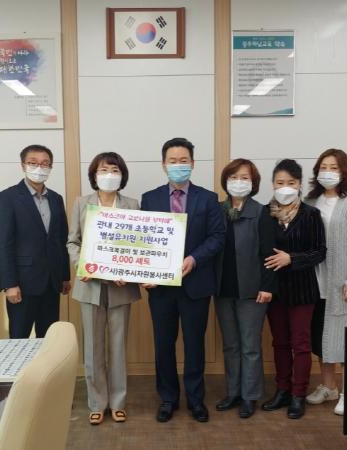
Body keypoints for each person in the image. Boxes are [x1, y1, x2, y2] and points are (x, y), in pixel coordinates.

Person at [141, 137, 225, 423]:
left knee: (194, 344)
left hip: (195, 284)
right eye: (173, 161)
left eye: (183, 161)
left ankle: (196, 399)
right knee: (163, 344)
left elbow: (217, 237)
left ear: (193, 163)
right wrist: (145, 272)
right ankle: (168, 398)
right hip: (161, 287)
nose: (178, 165)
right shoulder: (149, 199)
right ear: (164, 164)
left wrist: (194, 258)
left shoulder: (208, 198)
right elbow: (143, 241)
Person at [67, 152, 141, 425]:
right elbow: (72, 241)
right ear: (94, 175)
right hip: (90, 287)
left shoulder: (132, 205)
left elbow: (138, 244)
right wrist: (82, 266)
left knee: (118, 348)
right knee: (93, 348)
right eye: (103, 170)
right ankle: (96, 403)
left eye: (114, 170)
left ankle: (118, 402)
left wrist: (128, 270)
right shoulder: (81, 203)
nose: (109, 174)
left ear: (122, 175)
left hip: (121, 287)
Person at [304, 149, 347, 415]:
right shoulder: (311, 201)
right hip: (315, 283)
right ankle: (328, 386)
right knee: (322, 337)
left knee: (345, 339)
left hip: (344, 283)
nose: (328, 172)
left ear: (344, 171)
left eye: (333, 167)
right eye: (323, 167)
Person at [261, 159, 326, 419]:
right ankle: (283, 390)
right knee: (280, 343)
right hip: (275, 290)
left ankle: (299, 394)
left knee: (301, 344)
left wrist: (292, 258)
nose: (285, 187)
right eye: (280, 183)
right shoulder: (266, 213)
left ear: (299, 184)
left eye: (291, 182)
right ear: (272, 184)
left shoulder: (310, 214)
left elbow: (319, 252)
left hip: (302, 290)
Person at [214, 158, 277, 419]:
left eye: (244, 178)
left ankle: (250, 396)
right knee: (230, 345)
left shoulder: (262, 212)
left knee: (250, 345)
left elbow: (269, 253)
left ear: (253, 183)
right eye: (233, 177)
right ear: (225, 181)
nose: (238, 182)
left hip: (252, 289)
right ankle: (233, 392)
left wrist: (267, 286)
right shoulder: (217, 210)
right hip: (222, 288)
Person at [0, 145, 71, 338]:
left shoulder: (56, 198)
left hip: (52, 282)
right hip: (22, 283)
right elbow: (4, 244)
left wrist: (64, 276)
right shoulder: (8, 197)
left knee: (48, 338)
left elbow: (61, 239)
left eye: (45, 164)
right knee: (19, 338)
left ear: (51, 167)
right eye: (33, 163)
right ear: (23, 166)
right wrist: (9, 284)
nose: (39, 168)